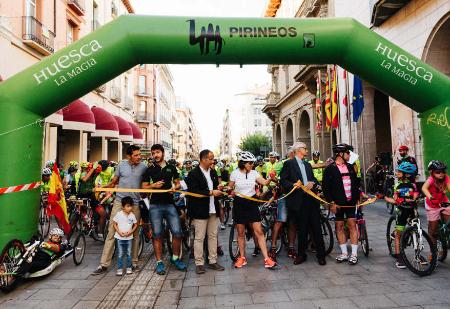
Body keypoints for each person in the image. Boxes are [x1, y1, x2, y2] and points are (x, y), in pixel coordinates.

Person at [92, 145, 146, 275]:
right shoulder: (121, 165)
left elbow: (146, 185)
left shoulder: (144, 167)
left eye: (139, 155)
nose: (139, 157)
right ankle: (104, 264)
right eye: (136, 155)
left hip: (135, 204)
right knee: (111, 232)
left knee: (135, 234)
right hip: (119, 203)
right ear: (128, 156)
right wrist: (101, 188)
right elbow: (113, 182)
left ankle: (134, 262)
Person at [142, 144, 186, 275]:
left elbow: (178, 183)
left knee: (178, 233)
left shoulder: (172, 168)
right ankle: (159, 262)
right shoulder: (149, 170)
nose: (155, 155)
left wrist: (175, 188)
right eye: (153, 153)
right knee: (157, 235)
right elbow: (143, 187)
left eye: (157, 152)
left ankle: (175, 258)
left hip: (170, 204)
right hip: (155, 205)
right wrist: (153, 186)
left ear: (163, 153)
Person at [228, 151, 277, 269]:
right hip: (239, 203)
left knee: (259, 231)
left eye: (252, 163)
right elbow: (230, 186)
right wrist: (229, 190)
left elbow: (264, 182)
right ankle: (242, 258)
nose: (252, 165)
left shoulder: (254, 173)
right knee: (240, 233)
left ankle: (267, 259)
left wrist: (270, 178)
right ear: (243, 163)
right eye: (250, 163)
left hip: (252, 203)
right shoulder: (234, 173)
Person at [280, 142, 326, 265]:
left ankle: (321, 256)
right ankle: (301, 255)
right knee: (302, 229)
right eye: (305, 148)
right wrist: (293, 185)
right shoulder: (288, 164)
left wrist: (314, 183)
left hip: (312, 200)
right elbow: (283, 181)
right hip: (298, 201)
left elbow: (313, 179)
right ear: (299, 150)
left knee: (317, 227)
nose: (307, 150)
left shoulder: (307, 164)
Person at [186, 149, 225, 274]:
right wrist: (211, 192)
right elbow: (194, 191)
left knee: (213, 236)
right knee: (199, 237)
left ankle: (213, 261)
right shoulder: (193, 174)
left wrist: (218, 188)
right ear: (203, 159)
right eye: (211, 158)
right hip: (200, 210)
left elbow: (213, 187)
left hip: (213, 209)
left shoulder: (212, 172)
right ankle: (199, 263)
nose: (213, 161)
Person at [322, 143, 360, 265]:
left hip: (350, 202)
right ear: (340, 154)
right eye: (348, 153)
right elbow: (326, 188)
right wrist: (331, 203)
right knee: (339, 226)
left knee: (352, 225)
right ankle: (344, 253)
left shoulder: (350, 167)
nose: (349, 155)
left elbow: (356, 184)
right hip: (338, 203)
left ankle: (354, 254)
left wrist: (358, 198)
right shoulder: (330, 169)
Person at [384, 162, 418, 268]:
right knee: (399, 234)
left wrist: (414, 198)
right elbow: (395, 199)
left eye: (399, 171)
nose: (397, 173)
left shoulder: (413, 185)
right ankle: (399, 257)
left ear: (406, 174)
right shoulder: (397, 185)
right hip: (401, 211)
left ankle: (417, 252)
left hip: (412, 211)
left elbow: (415, 195)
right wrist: (386, 198)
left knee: (415, 232)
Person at [422, 160, 450, 246]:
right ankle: (433, 250)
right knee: (433, 229)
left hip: (443, 201)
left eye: (443, 172)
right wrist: (430, 197)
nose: (441, 174)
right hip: (432, 204)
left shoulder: (446, 177)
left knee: (448, 223)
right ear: (432, 172)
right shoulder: (431, 179)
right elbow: (424, 188)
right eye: (438, 172)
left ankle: (446, 237)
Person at [113, 196, 138, 276]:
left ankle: (129, 268)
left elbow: (135, 225)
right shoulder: (119, 214)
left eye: (131, 206)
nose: (130, 208)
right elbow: (114, 224)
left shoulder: (132, 215)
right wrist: (119, 232)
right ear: (123, 207)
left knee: (129, 253)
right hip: (119, 238)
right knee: (120, 253)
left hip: (129, 238)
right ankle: (119, 269)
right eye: (128, 206)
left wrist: (131, 232)